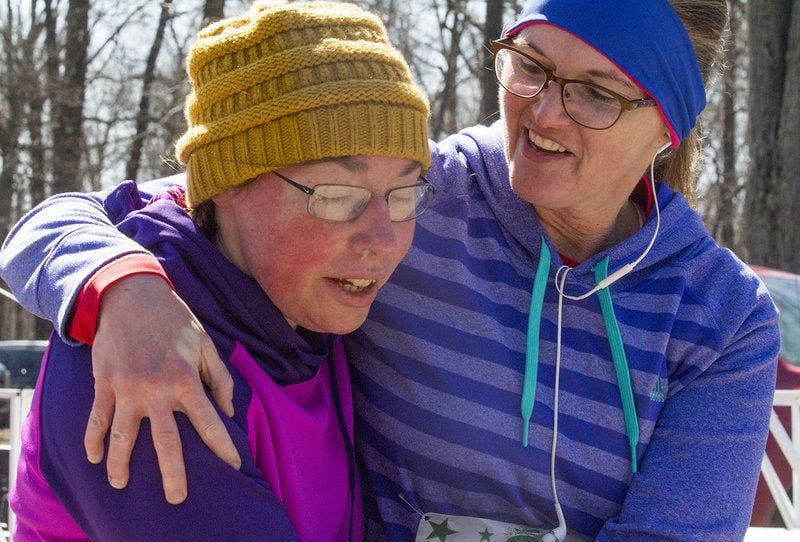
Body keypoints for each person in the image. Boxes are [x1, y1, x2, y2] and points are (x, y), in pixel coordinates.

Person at [0, 0, 780, 540]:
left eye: (595, 95)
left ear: (668, 126)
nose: (544, 113)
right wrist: (123, 285)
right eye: (532, 68)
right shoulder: (415, 193)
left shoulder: (720, 317)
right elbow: (117, 214)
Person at [3, 1, 434, 540]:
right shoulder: (148, 363)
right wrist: (119, 283)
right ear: (229, 184)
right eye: (336, 195)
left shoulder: (293, 304)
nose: (385, 238)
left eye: (402, 193)